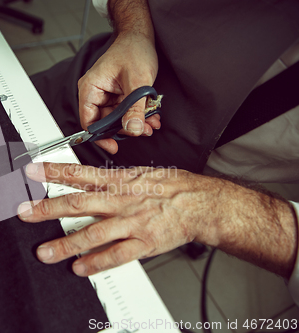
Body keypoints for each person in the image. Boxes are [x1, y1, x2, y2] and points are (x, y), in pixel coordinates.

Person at [21, 0, 299, 304]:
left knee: (25, 278)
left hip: (148, 203)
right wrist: (134, 30)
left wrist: (212, 209)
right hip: (93, 91)